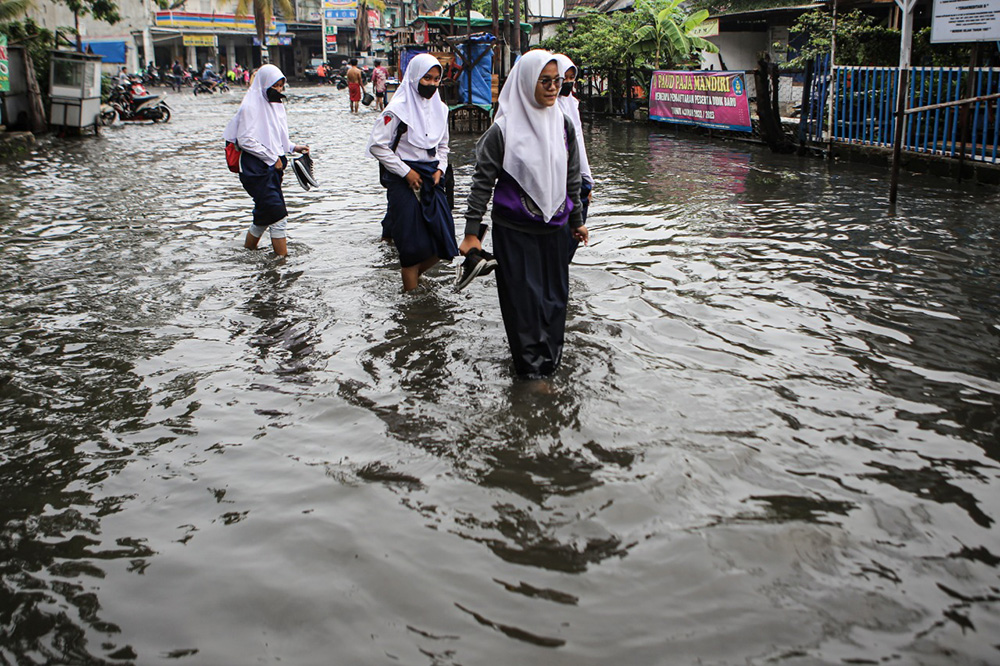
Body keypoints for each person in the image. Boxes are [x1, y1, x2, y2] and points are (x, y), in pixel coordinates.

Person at [461, 50, 588, 378]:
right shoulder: (502, 131)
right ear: (526, 82)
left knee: (555, 302)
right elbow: (481, 184)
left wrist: (577, 222)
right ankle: (531, 375)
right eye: (544, 81)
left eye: (557, 81)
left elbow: (571, 175)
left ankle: (549, 365)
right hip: (515, 233)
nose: (552, 88)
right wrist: (472, 232)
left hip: (555, 229)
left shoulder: (563, 123)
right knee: (524, 305)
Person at [366, 53, 459, 291]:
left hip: (432, 176)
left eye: (437, 79)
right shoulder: (396, 109)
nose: (432, 84)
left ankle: (414, 278)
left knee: (445, 240)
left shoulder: (441, 109)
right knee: (409, 246)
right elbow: (377, 145)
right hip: (402, 178)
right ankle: (411, 303)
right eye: (426, 78)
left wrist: (440, 168)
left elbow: (444, 146)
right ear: (416, 76)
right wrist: (405, 172)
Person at [223, 64, 310, 258]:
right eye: (275, 86)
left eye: (281, 86)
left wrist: (293, 147)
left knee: (263, 217)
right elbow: (245, 140)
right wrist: (271, 158)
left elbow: (277, 136)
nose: (278, 90)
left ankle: (248, 254)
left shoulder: (275, 106)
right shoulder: (250, 106)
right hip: (256, 170)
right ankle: (282, 263)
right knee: (278, 216)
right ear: (264, 84)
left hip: (272, 169)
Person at [554, 53, 594, 261]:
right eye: (565, 78)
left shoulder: (572, 105)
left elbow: (580, 146)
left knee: (575, 234)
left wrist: (588, 180)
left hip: (578, 179)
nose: (568, 83)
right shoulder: (549, 109)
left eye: (572, 78)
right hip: (559, 183)